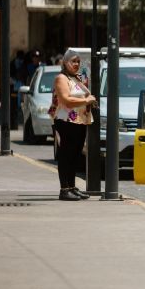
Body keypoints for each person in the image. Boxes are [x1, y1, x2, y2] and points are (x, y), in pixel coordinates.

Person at [49, 49, 96, 201]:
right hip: (66, 121)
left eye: (78, 62)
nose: (76, 64)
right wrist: (86, 101)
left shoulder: (76, 78)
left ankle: (71, 187)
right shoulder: (61, 78)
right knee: (66, 154)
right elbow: (65, 100)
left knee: (75, 154)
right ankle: (64, 189)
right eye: (73, 61)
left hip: (79, 120)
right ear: (65, 62)